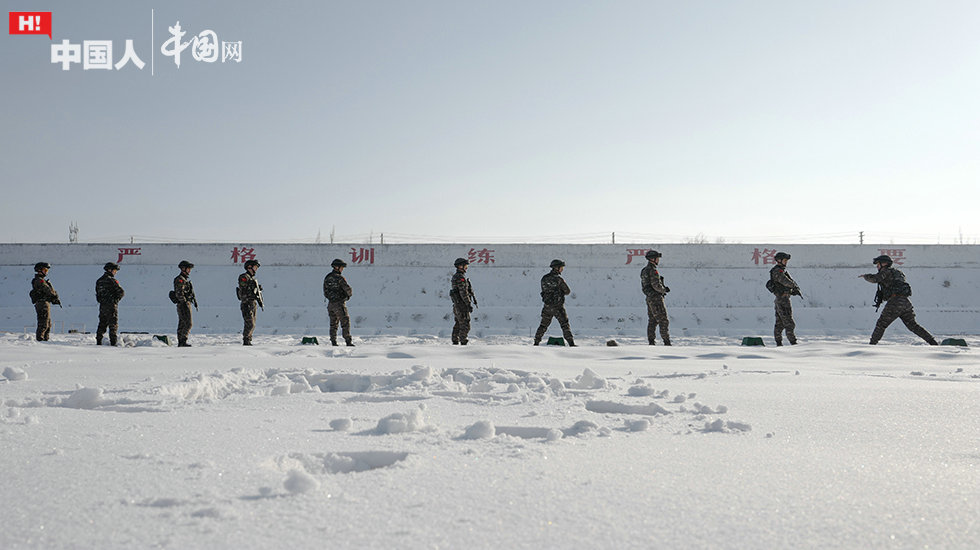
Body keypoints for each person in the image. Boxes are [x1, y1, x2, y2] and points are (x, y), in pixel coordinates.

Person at [859, 255, 938, 345]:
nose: (877, 266)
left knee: (881, 324)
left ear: (884, 263)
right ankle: (933, 342)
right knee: (913, 325)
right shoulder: (897, 273)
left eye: (878, 264)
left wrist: (866, 276)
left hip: (895, 302)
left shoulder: (886, 271)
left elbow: (875, 279)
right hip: (905, 302)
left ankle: (872, 345)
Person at [534, 259, 575, 346]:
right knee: (564, 325)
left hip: (547, 306)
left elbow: (544, 291)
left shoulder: (544, 278)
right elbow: (567, 291)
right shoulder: (559, 279)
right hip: (558, 307)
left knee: (543, 325)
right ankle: (571, 343)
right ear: (557, 268)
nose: (562, 269)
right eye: (561, 268)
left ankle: (536, 342)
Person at [768, 252, 801, 346]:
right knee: (789, 322)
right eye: (785, 260)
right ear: (779, 260)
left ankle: (779, 343)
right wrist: (793, 286)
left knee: (780, 323)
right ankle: (793, 343)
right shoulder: (777, 271)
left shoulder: (780, 271)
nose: (786, 262)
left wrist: (792, 290)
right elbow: (786, 282)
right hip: (783, 300)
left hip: (781, 299)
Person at [640, 250, 671, 345]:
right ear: (652, 259)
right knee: (663, 320)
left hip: (649, 298)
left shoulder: (644, 270)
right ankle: (666, 341)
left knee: (652, 320)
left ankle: (651, 341)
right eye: (657, 258)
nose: (658, 260)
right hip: (656, 298)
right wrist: (664, 290)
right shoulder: (653, 270)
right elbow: (656, 285)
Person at [323, 258, 354, 346]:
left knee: (333, 324)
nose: (342, 269)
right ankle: (348, 341)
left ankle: (333, 341)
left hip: (330, 304)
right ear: (337, 267)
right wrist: (347, 296)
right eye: (341, 267)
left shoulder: (327, 277)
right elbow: (348, 289)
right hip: (339, 304)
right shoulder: (340, 278)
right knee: (345, 322)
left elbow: (325, 291)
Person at [95, 262, 124, 346]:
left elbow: (98, 294)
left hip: (102, 306)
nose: (115, 272)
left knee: (102, 324)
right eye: (114, 270)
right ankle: (113, 343)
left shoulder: (99, 281)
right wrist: (115, 300)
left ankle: (98, 342)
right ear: (109, 270)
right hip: (111, 306)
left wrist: (103, 301)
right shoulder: (112, 281)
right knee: (113, 325)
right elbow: (121, 292)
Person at [449, 257, 477, 345]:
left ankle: (455, 340)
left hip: (457, 304)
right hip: (461, 304)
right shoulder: (460, 277)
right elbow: (463, 292)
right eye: (465, 266)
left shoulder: (456, 276)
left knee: (458, 323)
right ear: (460, 266)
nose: (466, 268)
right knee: (465, 324)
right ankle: (463, 341)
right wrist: (468, 303)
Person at [30, 262, 60, 342]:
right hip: (42, 303)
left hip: (44, 303)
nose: (46, 272)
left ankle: (45, 340)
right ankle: (40, 340)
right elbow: (48, 291)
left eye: (47, 270)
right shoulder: (39, 281)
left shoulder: (42, 280)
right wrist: (54, 295)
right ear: (39, 270)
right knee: (43, 323)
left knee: (48, 324)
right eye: (45, 270)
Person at [237, 259, 262, 346]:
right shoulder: (244, 277)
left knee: (253, 324)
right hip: (246, 303)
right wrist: (251, 288)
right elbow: (243, 289)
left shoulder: (252, 279)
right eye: (255, 267)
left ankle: (248, 339)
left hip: (252, 303)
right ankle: (246, 340)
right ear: (249, 267)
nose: (256, 269)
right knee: (250, 323)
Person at [173, 260, 197, 347]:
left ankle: (181, 341)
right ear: (183, 269)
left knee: (183, 323)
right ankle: (182, 340)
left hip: (184, 303)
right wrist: (184, 302)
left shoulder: (184, 279)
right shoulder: (180, 279)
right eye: (188, 268)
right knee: (188, 323)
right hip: (183, 304)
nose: (189, 270)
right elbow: (179, 293)